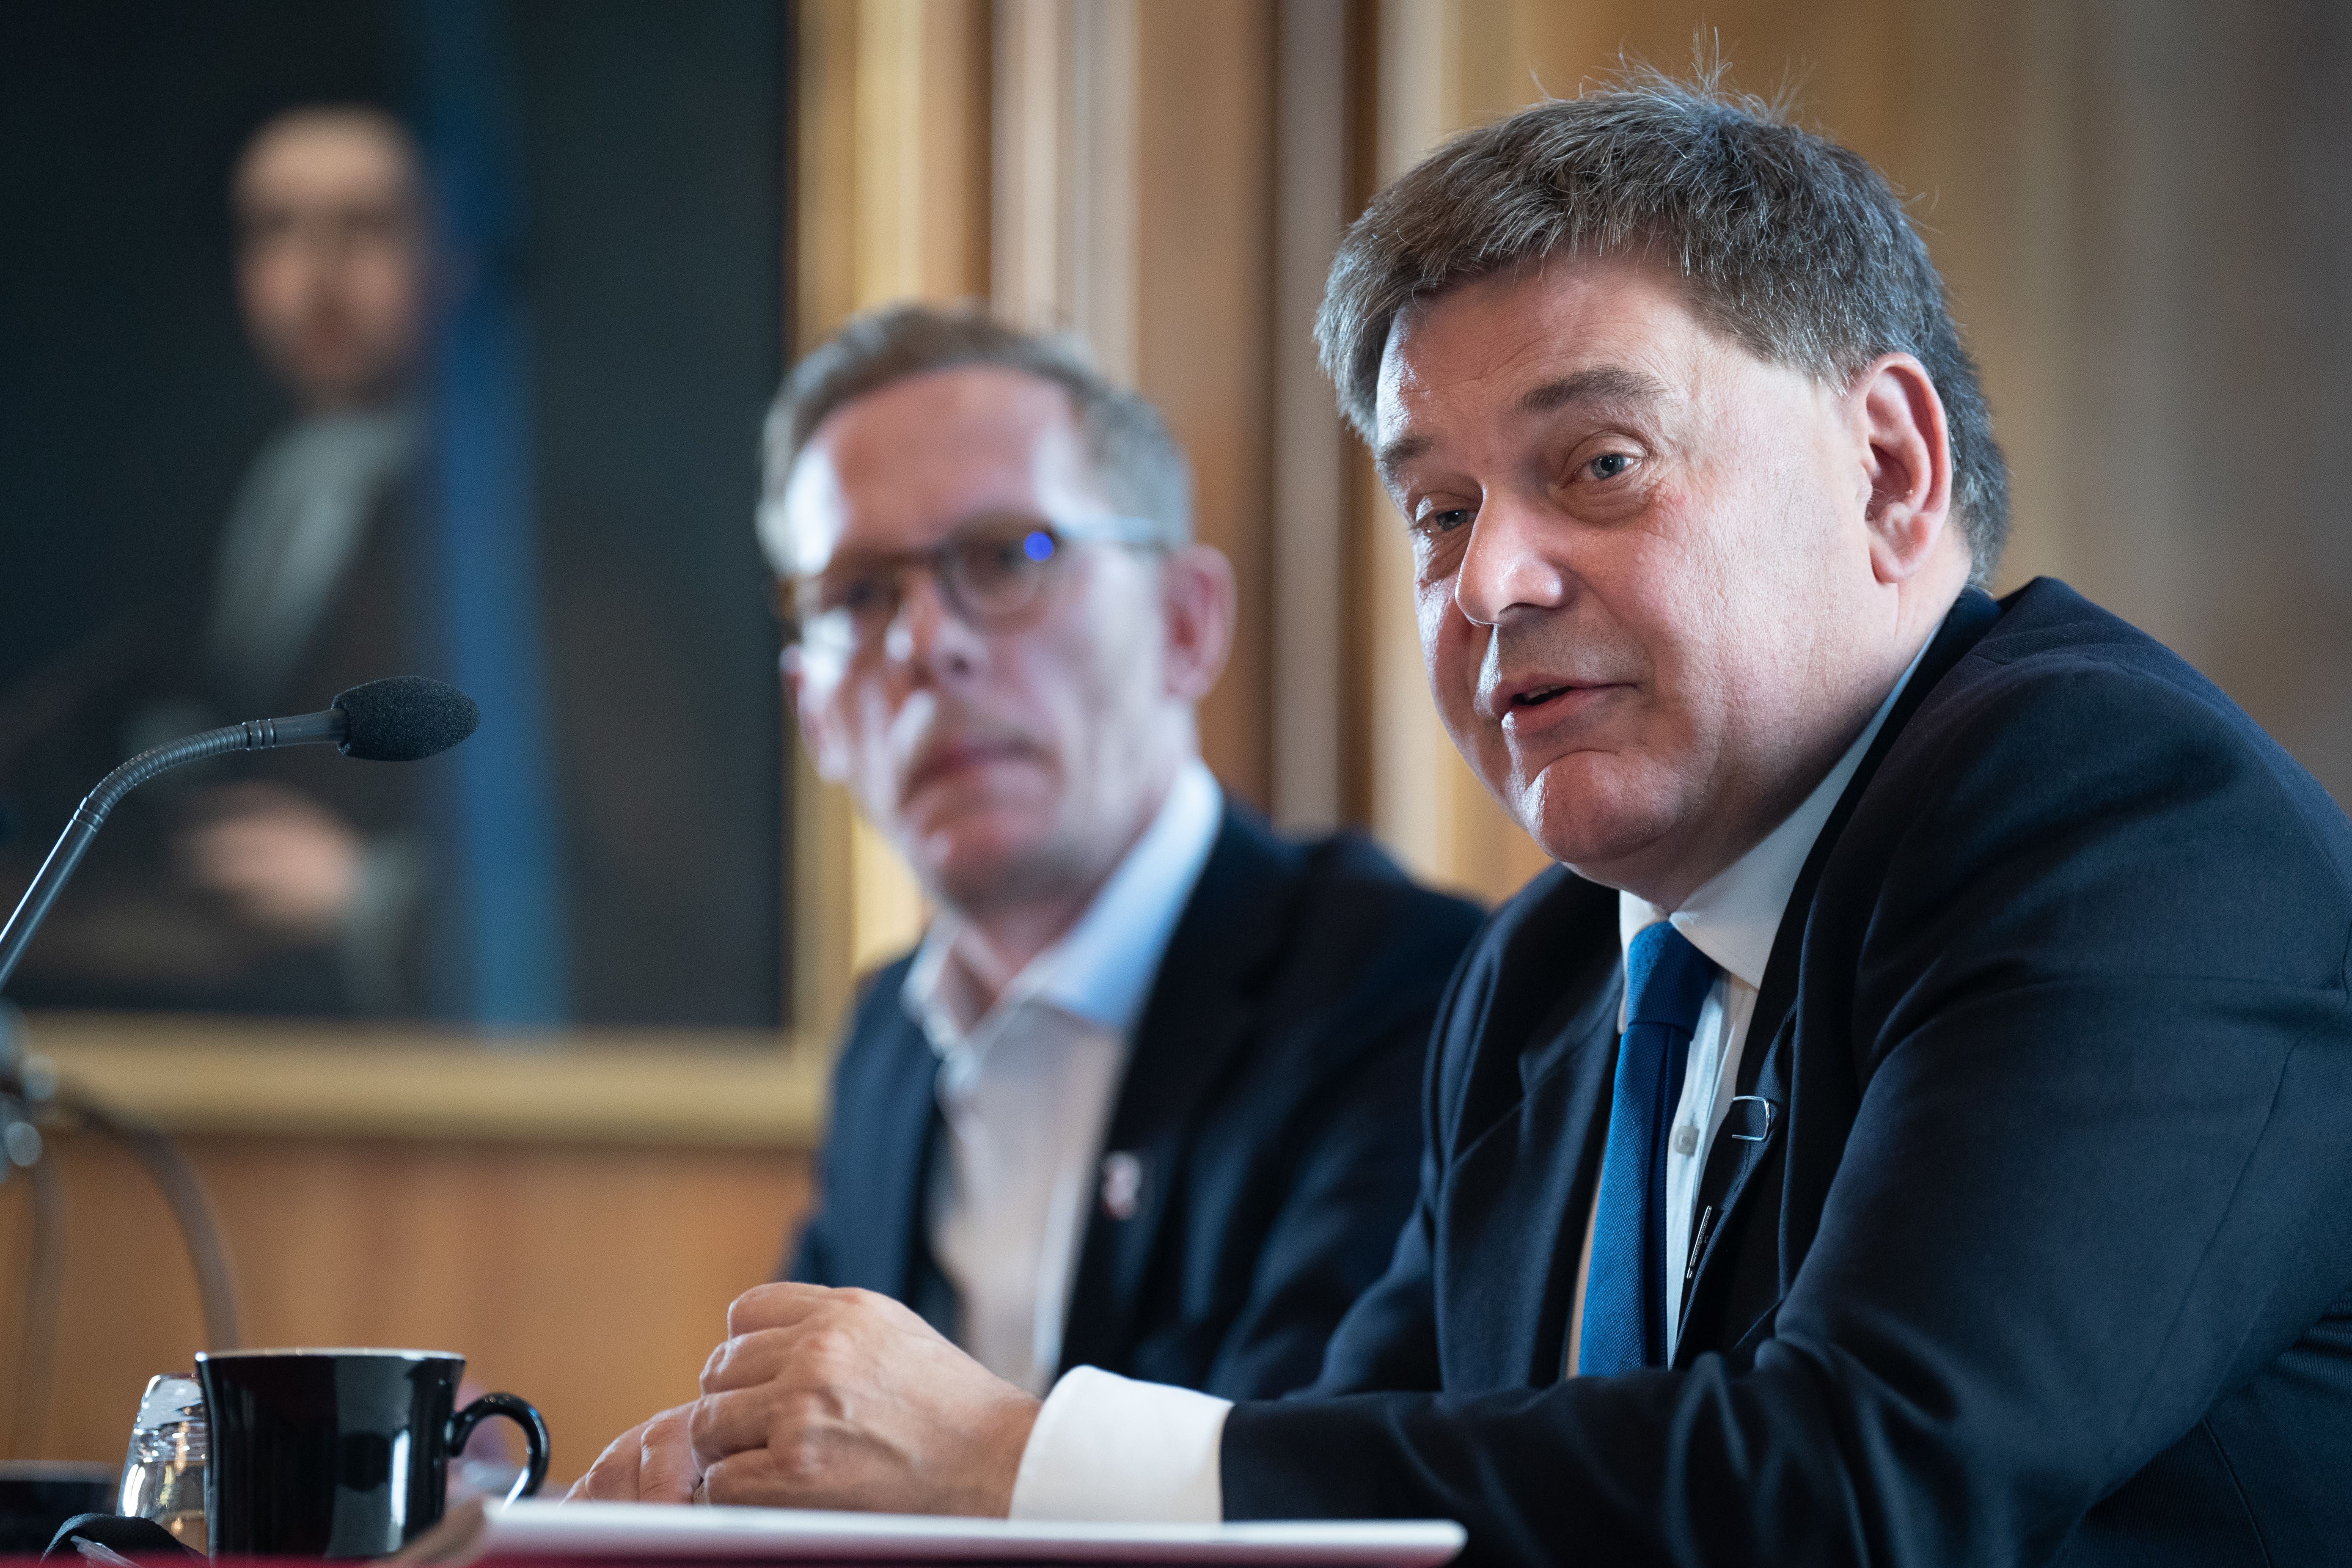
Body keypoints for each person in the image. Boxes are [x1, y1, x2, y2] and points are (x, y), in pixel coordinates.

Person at [570, 79, 2352, 1564]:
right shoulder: (1550, 976)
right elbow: (1352, 1462)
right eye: (1435, 512)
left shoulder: (2116, 822)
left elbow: (1857, 1481)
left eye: (1597, 464)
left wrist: (1011, 1456)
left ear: (1888, 468)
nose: (1490, 576)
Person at [749, 307, 1478, 1403]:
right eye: (857, 594)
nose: (923, 644)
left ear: (1185, 623)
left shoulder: (1412, 992)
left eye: (1007, 557)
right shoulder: (885, 1046)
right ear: (814, 714)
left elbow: (1301, 1476)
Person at [2, 105, 444, 1014]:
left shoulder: (541, 558)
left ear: (452, 258)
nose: (317, 278)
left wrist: (367, 892)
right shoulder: (209, 507)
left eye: (363, 228)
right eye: (278, 230)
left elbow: (647, 907)